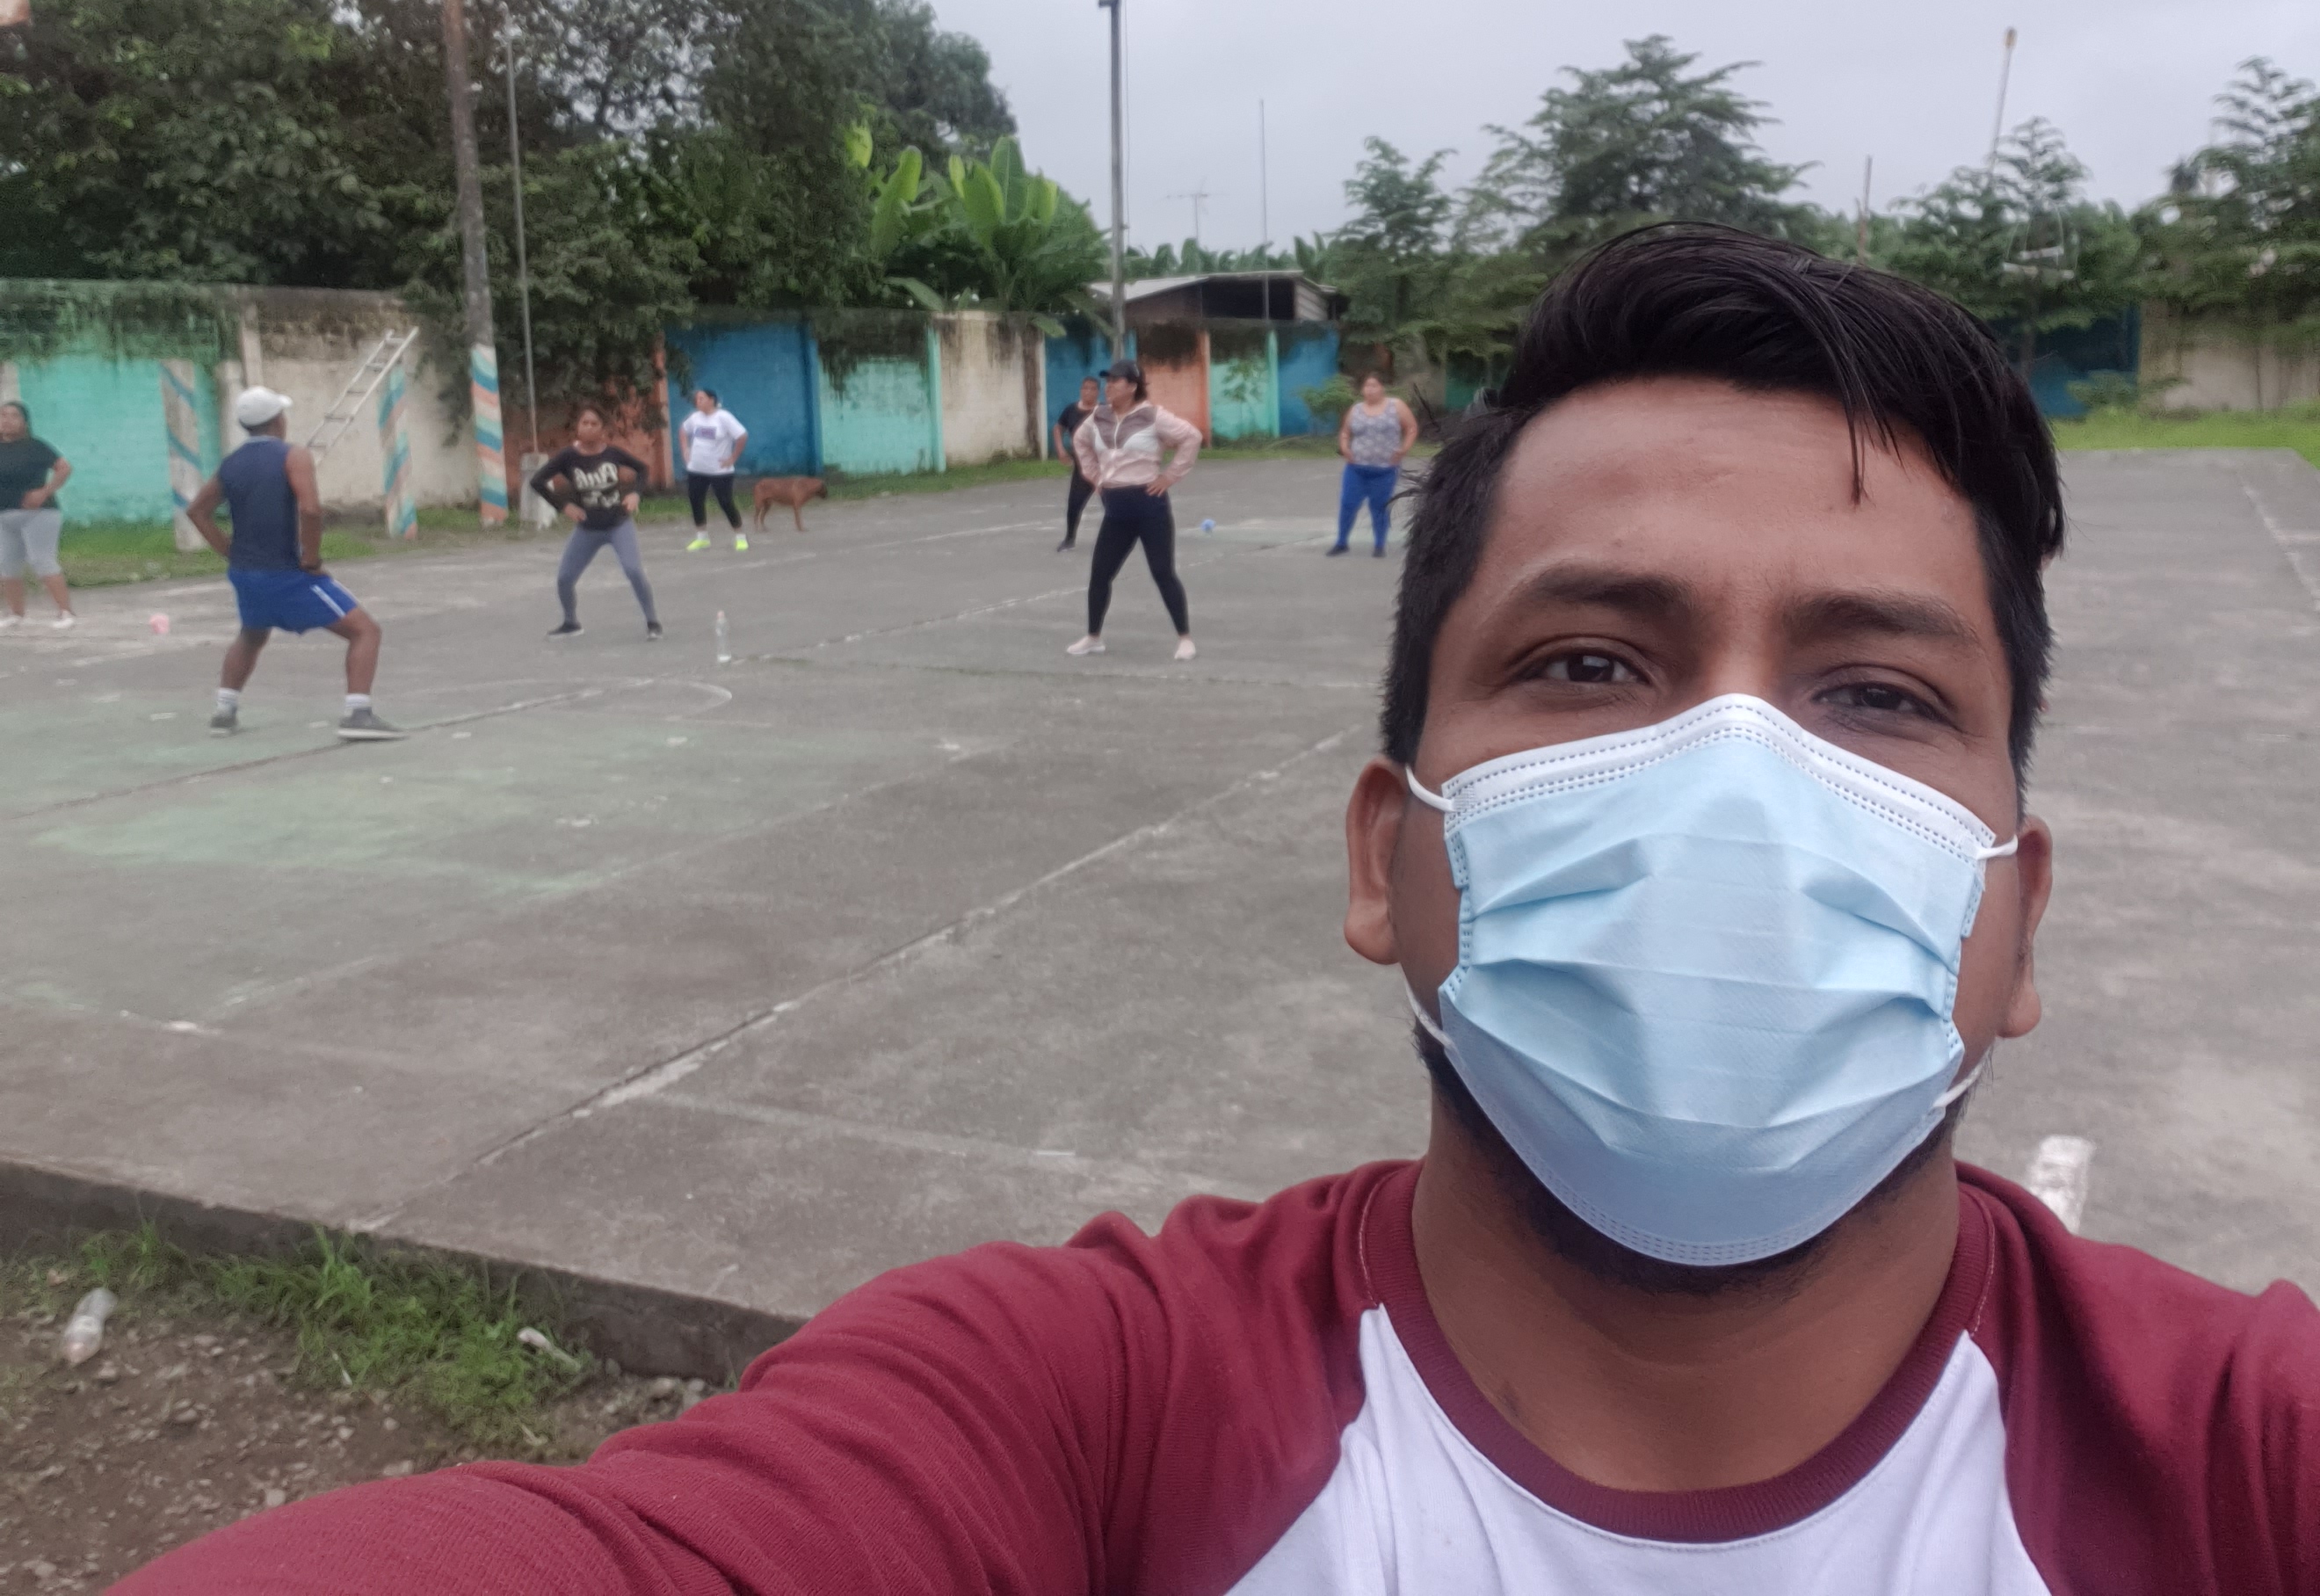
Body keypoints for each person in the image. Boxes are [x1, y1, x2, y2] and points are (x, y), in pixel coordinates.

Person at [123, 228, 2320, 1594]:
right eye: (1587, 664)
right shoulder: (1086, 1419)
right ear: (1385, 853)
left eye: (1877, 693)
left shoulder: (2242, 1467)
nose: (1736, 775)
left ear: (2018, 918)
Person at [185, 388, 399, 741]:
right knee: (365, 631)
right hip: (286, 572)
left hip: (246, 572)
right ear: (277, 421)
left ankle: (224, 711)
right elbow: (310, 509)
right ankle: (358, 713)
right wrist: (311, 559)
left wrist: (229, 551)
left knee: (252, 634)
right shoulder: (293, 456)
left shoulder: (232, 463)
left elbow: (197, 511)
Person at [1067, 359, 1200, 662]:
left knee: (1162, 572)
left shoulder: (1152, 416)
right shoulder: (1098, 417)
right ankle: (1093, 637)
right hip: (1116, 508)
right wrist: (1096, 477)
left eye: (1115, 381)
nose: (1108, 387)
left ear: (1132, 386)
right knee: (1100, 573)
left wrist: (1169, 476)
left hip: (1149, 505)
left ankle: (1185, 638)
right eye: (1108, 381)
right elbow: (1079, 442)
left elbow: (1191, 437)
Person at [530, 406, 662, 641]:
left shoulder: (612, 453)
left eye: (594, 424)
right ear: (578, 427)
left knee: (633, 570)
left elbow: (642, 469)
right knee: (564, 578)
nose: (589, 428)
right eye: (585, 423)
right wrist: (564, 506)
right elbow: (537, 481)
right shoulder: (568, 457)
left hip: (618, 524)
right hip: (588, 528)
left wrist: (635, 494)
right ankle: (571, 623)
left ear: (602, 429)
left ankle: (653, 622)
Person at [0, 399, 75, 628]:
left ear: (25, 422)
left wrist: (45, 491)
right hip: (4, 515)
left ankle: (66, 612)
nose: (7, 421)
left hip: (38, 514)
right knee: (7, 564)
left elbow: (64, 468)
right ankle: (16, 614)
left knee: (41, 560)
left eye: (14, 416)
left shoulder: (35, 447)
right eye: (3, 416)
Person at [1330, 371, 1418, 556]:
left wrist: (1404, 449)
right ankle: (1341, 542)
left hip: (1384, 470)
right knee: (1348, 504)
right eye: (1367, 386)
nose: (1370, 390)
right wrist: (1345, 447)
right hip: (1356, 468)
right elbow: (1345, 432)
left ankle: (1379, 545)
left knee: (1379, 506)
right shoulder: (1356, 409)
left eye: (1374, 386)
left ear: (1382, 388)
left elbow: (1411, 428)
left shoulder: (1395, 406)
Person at [679, 387, 749, 553]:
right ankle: (702, 538)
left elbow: (742, 435)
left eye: (701, 398)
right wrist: (685, 449)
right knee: (696, 501)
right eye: (697, 399)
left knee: (725, 502)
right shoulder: (695, 417)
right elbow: (683, 430)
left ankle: (740, 537)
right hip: (696, 469)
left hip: (719, 471)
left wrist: (733, 458)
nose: (698, 401)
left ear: (711, 400)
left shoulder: (723, 417)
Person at [1054, 374, 1102, 552]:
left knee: (1113, 503)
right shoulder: (1071, 410)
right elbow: (1058, 428)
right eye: (1085, 388)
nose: (1088, 392)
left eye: (1092, 388)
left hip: (1104, 465)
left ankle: (1125, 537)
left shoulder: (1104, 411)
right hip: (1082, 466)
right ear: (1081, 390)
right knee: (1074, 503)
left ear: (1098, 392)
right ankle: (1069, 538)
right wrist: (1060, 449)